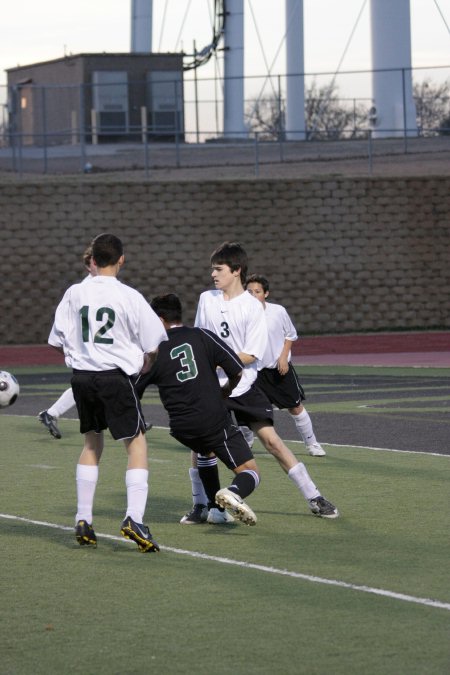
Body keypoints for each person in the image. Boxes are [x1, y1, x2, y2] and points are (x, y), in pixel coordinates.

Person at [186, 241, 339, 520]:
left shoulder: (252, 307)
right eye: (212, 270)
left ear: (236, 271)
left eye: (218, 269)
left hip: (243, 385)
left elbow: (250, 354)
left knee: (272, 442)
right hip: (212, 387)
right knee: (201, 446)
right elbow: (199, 338)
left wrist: (215, 361)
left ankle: (314, 497)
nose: (213, 275)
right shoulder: (206, 299)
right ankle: (201, 505)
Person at [48, 233, 168, 552]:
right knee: (137, 443)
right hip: (115, 377)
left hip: (83, 378)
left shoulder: (75, 292)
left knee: (91, 441)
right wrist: (146, 362)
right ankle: (134, 517)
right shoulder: (128, 295)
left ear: (93, 260)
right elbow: (154, 341)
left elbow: (57, 338)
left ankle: (83, 517)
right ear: (121, 260)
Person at [135, 293, 260, 526]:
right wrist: (226, 391)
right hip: (212, 417)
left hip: (181, 426)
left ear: (159, 319)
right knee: (251, 472)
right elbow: (236, 369)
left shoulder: (153, 350)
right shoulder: (201, 335)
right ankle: (232, 493)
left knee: (205, 451)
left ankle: (214, 510)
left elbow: (134, 389)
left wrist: (138, 420)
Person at [244, 273, 326, 457]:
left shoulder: (278, 311)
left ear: (266, 293)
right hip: (253, 371)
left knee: (295, 407)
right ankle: (246, 442)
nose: (253, 295)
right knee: (248, 410)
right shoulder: (241, 315)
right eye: (249, 291)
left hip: (278, 370)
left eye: (257, 291)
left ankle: (312, 443)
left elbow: (290, 334)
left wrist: (283, 357)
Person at [39, 245, 97, 440]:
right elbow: (58, 333)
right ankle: (133, 419)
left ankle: (50, 413)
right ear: (89, 265)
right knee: (100, 384)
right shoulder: (79, 292)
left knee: (94, 386)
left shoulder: (107, 289)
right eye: (94, 262)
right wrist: (72, 352)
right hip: (90, 352)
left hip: (99, 351)